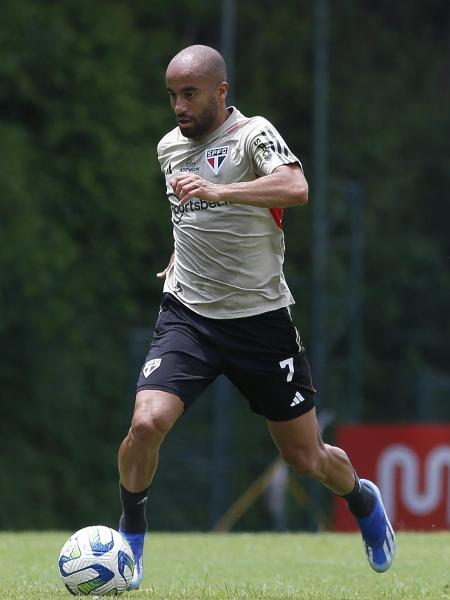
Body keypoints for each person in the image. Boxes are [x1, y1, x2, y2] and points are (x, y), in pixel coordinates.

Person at [117, 44, 396, 590]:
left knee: (307, 458)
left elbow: (297, 188)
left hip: (260, 321)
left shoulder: (253, 135)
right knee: (146, 423)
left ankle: (362, 499)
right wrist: (178, 255)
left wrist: (221, 192)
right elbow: (188, 216)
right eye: (172, 95)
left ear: (221, 92)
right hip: (188, 316)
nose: (178, 106)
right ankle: (130, 538)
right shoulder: (169, 148)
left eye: (190, 94)